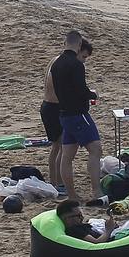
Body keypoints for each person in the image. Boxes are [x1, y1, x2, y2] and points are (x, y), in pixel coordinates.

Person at [52, 34, 104, 202]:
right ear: (79, 44)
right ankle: (97, 191)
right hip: (78, 114)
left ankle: (72, 195)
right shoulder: (76, 65)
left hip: (64, 113)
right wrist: (93, 94)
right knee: (95, 149)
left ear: (65, 42)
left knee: (67, 155)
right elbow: (81, 90)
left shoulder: (57, 63)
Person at [41, 29, 85, 192]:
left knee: (56, 147)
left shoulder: (54, 60)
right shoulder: (64, 63)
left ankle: (54, 182)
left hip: (46, 106)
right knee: (61, 146)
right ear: (78, 46)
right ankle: (58, 183)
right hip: (54, 107)